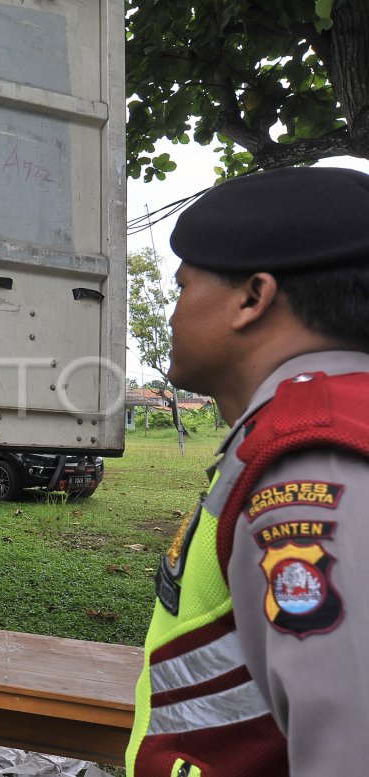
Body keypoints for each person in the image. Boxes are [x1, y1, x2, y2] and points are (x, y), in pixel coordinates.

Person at [126, 166, 369, 776]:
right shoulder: (318, 422)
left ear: (252, 298)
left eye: (182, 287)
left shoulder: (314, 460)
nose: (174, 313)